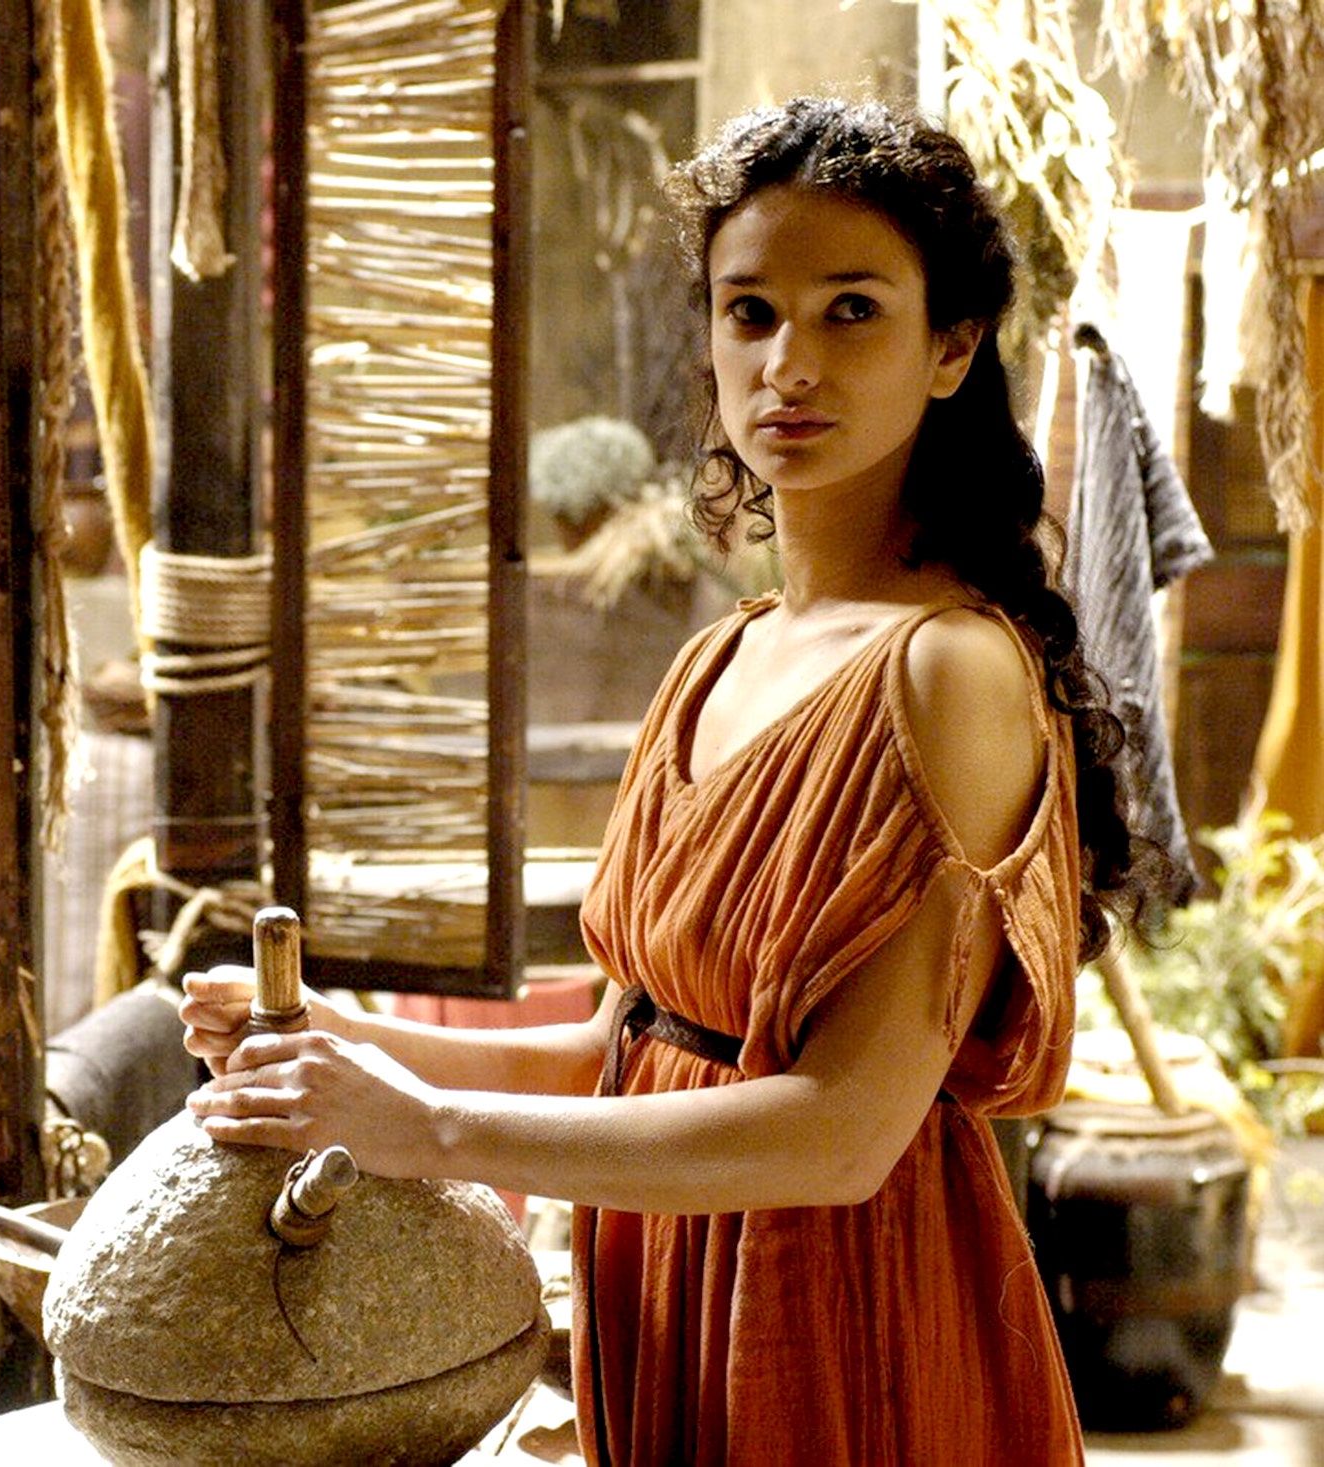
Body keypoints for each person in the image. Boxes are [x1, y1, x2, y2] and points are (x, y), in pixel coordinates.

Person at [181, 97, 1166, 1464]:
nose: (790, 364)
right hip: (665, 1298)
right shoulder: (714, 662)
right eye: (750, 312)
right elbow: (634, 1053)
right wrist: (344, 1053)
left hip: (845, 1328)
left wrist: (431, 1130)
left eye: (852, 311)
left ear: (951, 348)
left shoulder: (952, 672)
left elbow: (841, 1135)